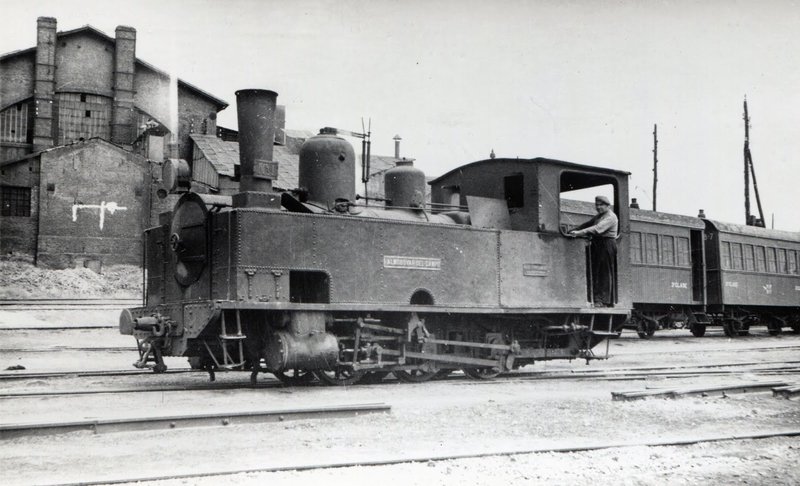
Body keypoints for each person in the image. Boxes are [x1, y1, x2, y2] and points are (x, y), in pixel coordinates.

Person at [568, 196, 618, 307]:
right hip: (598, 244)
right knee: (596, 271)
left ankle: (603, 301)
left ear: (607, 206)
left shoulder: (611, 217)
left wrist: (579, 233)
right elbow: (588, 224)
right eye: (597, 205)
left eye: (601, 205)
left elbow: (597, 229)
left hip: (607, 244)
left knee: (604, 273)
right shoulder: (599, 216)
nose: (598, 207)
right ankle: (596, 298)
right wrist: (572, 230)